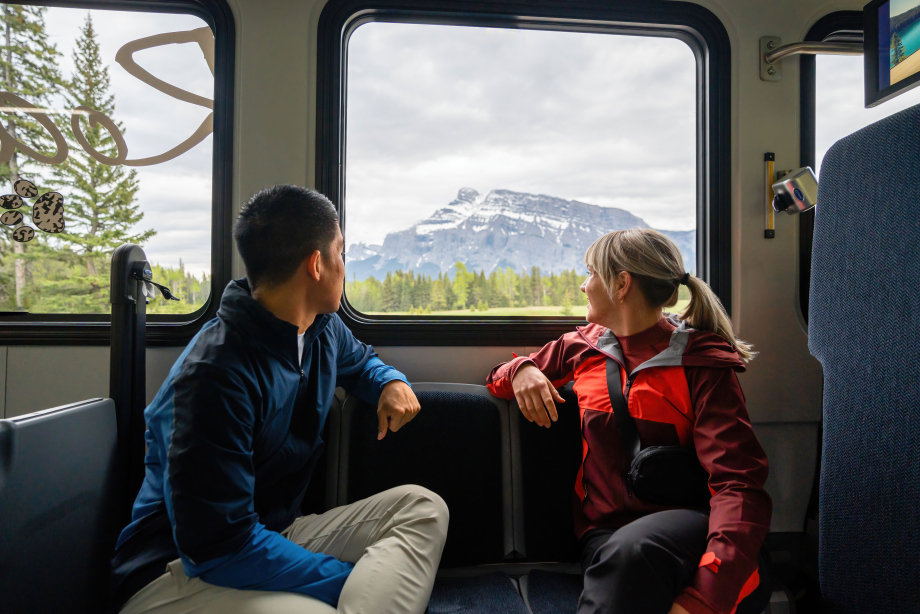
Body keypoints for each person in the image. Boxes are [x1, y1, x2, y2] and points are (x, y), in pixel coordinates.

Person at [110, 185, 449, 614]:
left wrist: (389, 381)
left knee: (423, 508)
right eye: (340, 253)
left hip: (271, 531)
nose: (345, 266)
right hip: (177, 568)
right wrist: (346, 583)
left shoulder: (320, 328)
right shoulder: (213, 375)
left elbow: (361, 362)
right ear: (316, 264)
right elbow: (216, 544)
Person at [486, 229, 772, 614]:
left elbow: (738, 485)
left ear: (621, 284)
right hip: (604, 536)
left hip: (692, 529)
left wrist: (707, 595)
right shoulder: (582, 347)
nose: (583, 285)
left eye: (591, 273)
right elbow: (498, 378)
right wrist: (521, 369)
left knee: (634, 550)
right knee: (624, 555)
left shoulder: (700, 364)